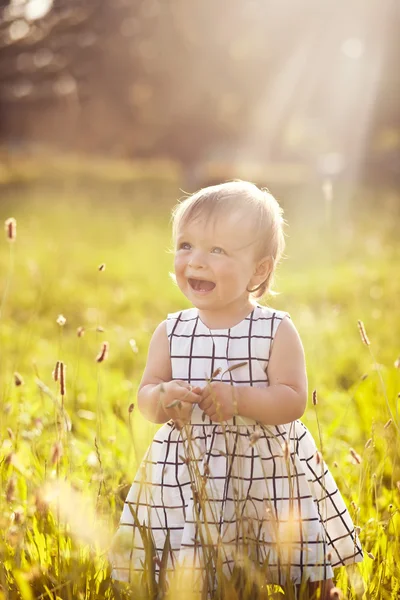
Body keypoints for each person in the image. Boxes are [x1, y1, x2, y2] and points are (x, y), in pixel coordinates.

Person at [110, 181, 363, 598]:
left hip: (266, 468)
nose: (196, 261)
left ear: (259, 270)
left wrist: (240, 398)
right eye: (186, 245)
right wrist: (163, 397)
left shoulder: (274, 328)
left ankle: (317, 590)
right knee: (190, 554)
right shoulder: (171, 331)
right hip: (191, 469)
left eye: (218, 251)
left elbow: (293, 399)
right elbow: (146, 396)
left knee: (292, 551)